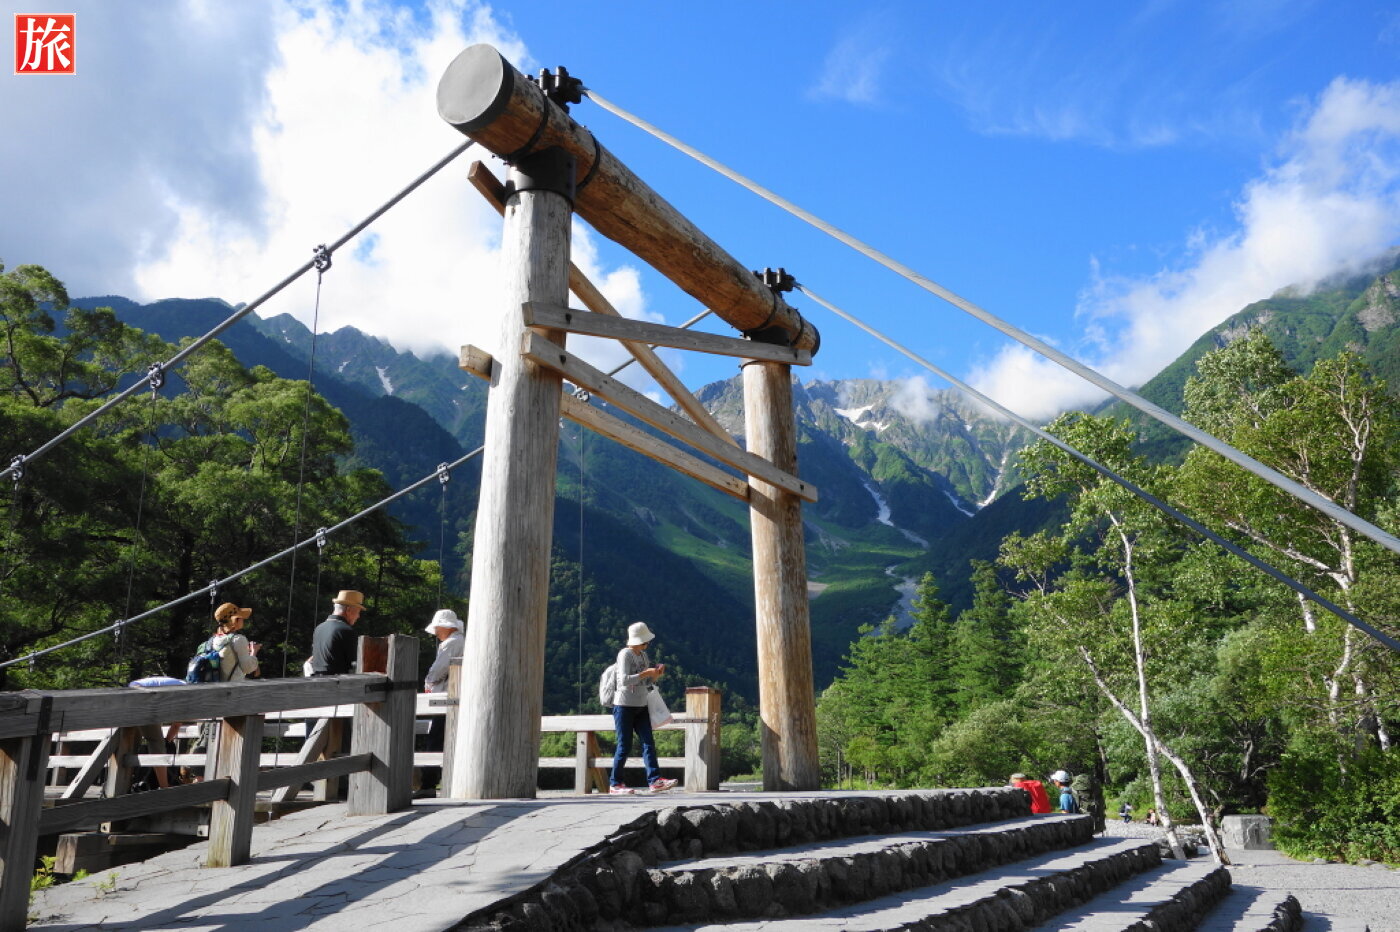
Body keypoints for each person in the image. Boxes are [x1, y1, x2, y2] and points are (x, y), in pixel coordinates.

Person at [607, 622, 678, 795]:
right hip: (624, 705)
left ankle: (655, 780)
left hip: (641, 704)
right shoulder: (625, 654)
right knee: (624, 745)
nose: (648, 643)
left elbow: (645, 683)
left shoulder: (643, 656)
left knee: (648, 742)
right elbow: (624, 680)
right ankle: (615, 784)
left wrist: (655, 675)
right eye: (646, 640)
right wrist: (647, 673)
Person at [418, 609, 465, 796]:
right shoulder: (462, 641)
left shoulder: (451, 643)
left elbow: (437, 671)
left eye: (438, 628)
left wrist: (428, 682)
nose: (436, 632)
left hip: (446, 699)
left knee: (435, 739)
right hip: (457, 697)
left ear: (447, 627)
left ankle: (428, 784)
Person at [128, 676, 186, 789]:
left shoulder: (182, 685)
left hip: (134, 691)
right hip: (142, 694)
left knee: (138, 741)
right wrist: (167, 741)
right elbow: (176, 725)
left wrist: (167, 741)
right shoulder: (188, 696)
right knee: (156, 742)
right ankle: (164, 786)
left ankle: (134, 781)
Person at [310, 590, 366, 675]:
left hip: (316, 680)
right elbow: (355, 663)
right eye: (358, 612)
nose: (358, 616)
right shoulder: (346, 631)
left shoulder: (319, 628)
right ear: (348, 610)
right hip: (336, 681)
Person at [211, 602, 260, 681]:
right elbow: (248, 668)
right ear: (235, 620)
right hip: (233, 687)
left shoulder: (213, 640)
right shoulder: (238, 639)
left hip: (215, 685)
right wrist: (254, 651)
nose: (243, 619)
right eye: (240, 617)